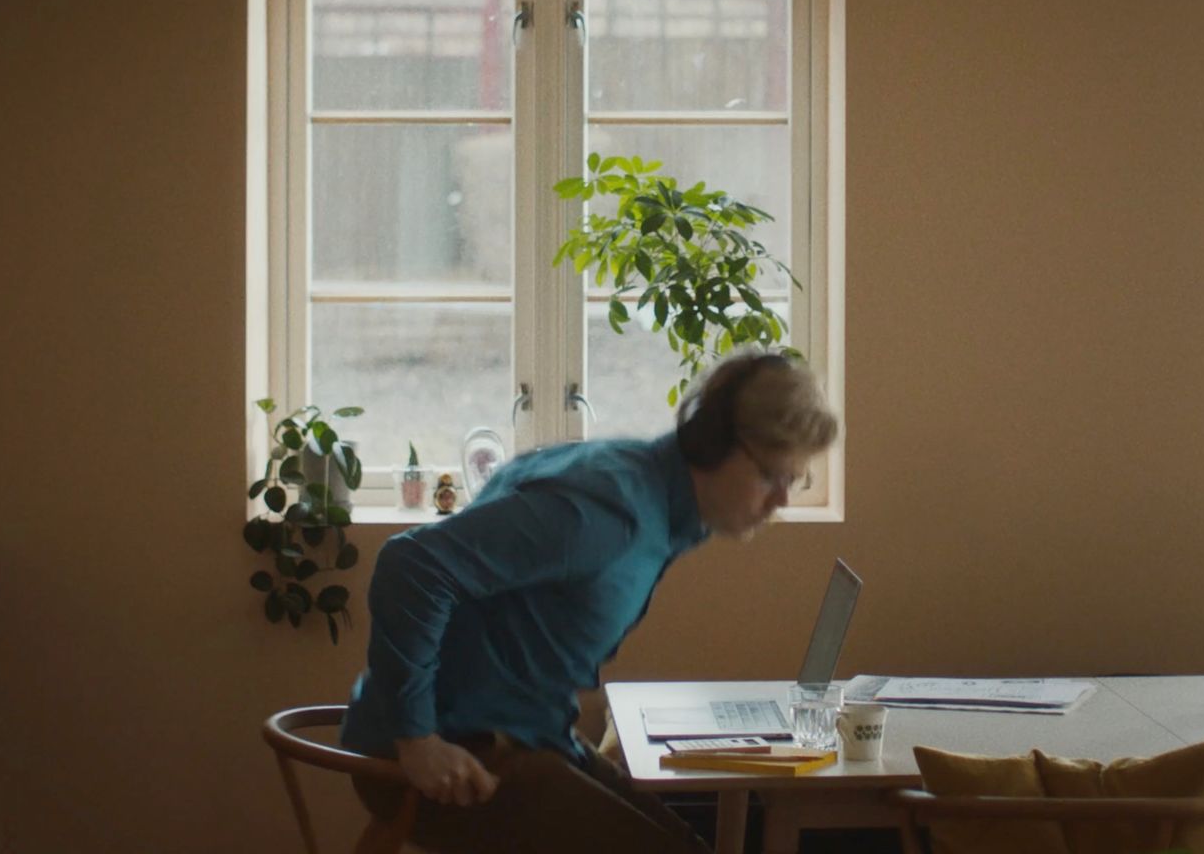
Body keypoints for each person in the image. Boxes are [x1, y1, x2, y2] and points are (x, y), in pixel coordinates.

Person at [341, 350, 839, 854]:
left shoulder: (656, 507)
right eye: (772, 476)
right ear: (715, 445)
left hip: (519, 737)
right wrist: (417, 741)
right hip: (446, 757)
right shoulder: (606, 513)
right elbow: (412, 566)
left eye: (793, 481)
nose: (781, 501)